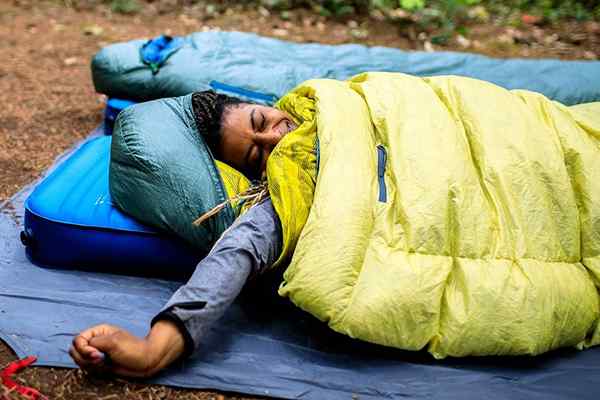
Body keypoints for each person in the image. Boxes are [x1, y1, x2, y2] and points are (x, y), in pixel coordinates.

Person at [68, 91, 296, 377]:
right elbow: (237, 251)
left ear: (264, 104)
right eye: (257, 155)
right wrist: (153, 350)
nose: (275, 140)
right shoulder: (282, 201)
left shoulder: (314, 102)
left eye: (261, 120)